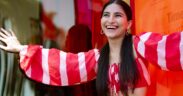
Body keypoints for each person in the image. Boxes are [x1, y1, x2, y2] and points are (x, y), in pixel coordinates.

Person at [0, 0, 182, 96]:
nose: (111, 20)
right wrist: (23, 49)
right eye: (106, 15)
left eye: (118, 15)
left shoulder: (140, 45)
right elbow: (66, 64)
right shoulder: (99, 58)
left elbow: (173, 48)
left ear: (128, 24)